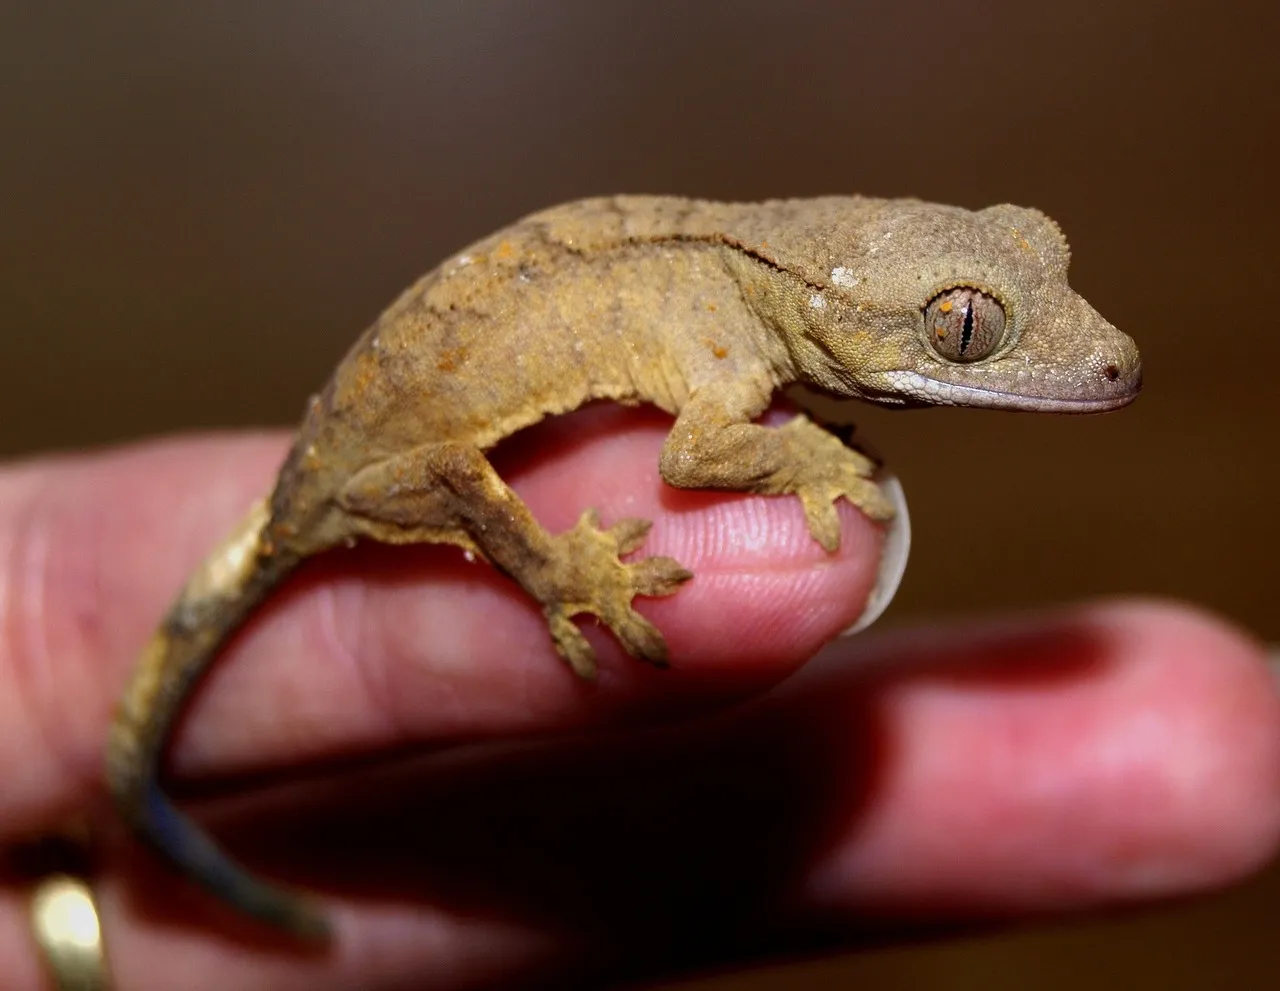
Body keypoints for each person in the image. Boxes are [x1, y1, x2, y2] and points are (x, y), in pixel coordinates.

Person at [4, 408, 1278, 991]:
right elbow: (695, 453)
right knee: (468, 481)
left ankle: (165, 832)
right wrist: (571, 568)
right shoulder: (726, 352)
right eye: (959, 332)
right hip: (387, 464)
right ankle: (164, 820)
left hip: (366, 436)